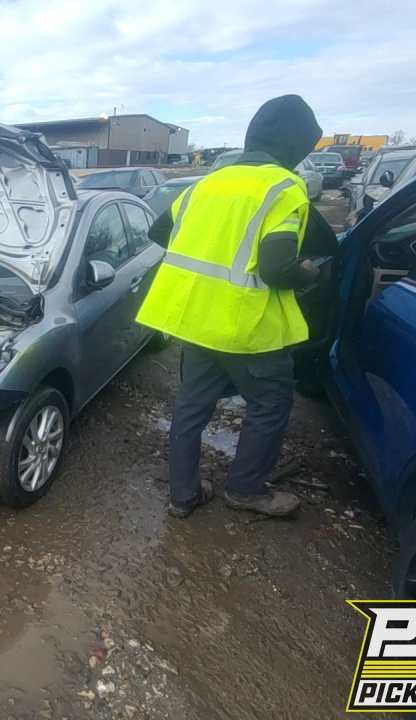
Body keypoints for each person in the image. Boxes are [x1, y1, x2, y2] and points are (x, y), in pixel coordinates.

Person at [136, 94, 323, 519]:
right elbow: (277, 268)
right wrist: (310, 273)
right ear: (296, 146)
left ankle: (182, 495)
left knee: (191, 409)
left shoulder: (208, 183)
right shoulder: (283, 187)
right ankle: (245, 490)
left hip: (196, 321)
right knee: (270, 406)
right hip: (248, 328)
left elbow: (159, 230)